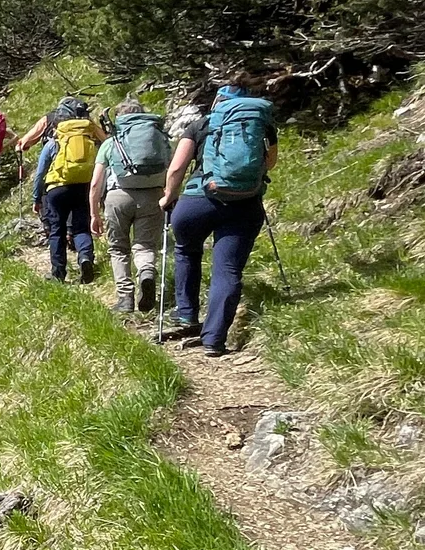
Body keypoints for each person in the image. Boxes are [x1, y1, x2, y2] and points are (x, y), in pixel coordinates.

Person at [161, 74, 279, 357]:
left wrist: (168, 196)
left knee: (186, 250)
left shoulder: (201, 124)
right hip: (244, 204)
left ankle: (187, 314)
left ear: (219, 101)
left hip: (197, 200)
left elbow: (176, 168)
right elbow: (270, 163)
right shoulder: (261, 123)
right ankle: (214, 339)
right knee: (227, 269)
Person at [90, 98, 168, 313]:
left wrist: (94, 213)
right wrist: (170, 196)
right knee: (145, 245)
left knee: (118, 248)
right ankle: (146, 273)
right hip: (153, 195)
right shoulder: (158, 137)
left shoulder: (112, 141)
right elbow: (172, 168)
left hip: (118, 196)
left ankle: (125, 299)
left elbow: (96, 183)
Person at [19, 94, 100, 282]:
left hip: (57, 189)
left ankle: (58, 273)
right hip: (83, 186)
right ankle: (85, 257)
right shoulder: (87, 136)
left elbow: (40, 174)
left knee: (57, 231)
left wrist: (36, 198)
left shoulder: (54, 142)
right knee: (81, 227)